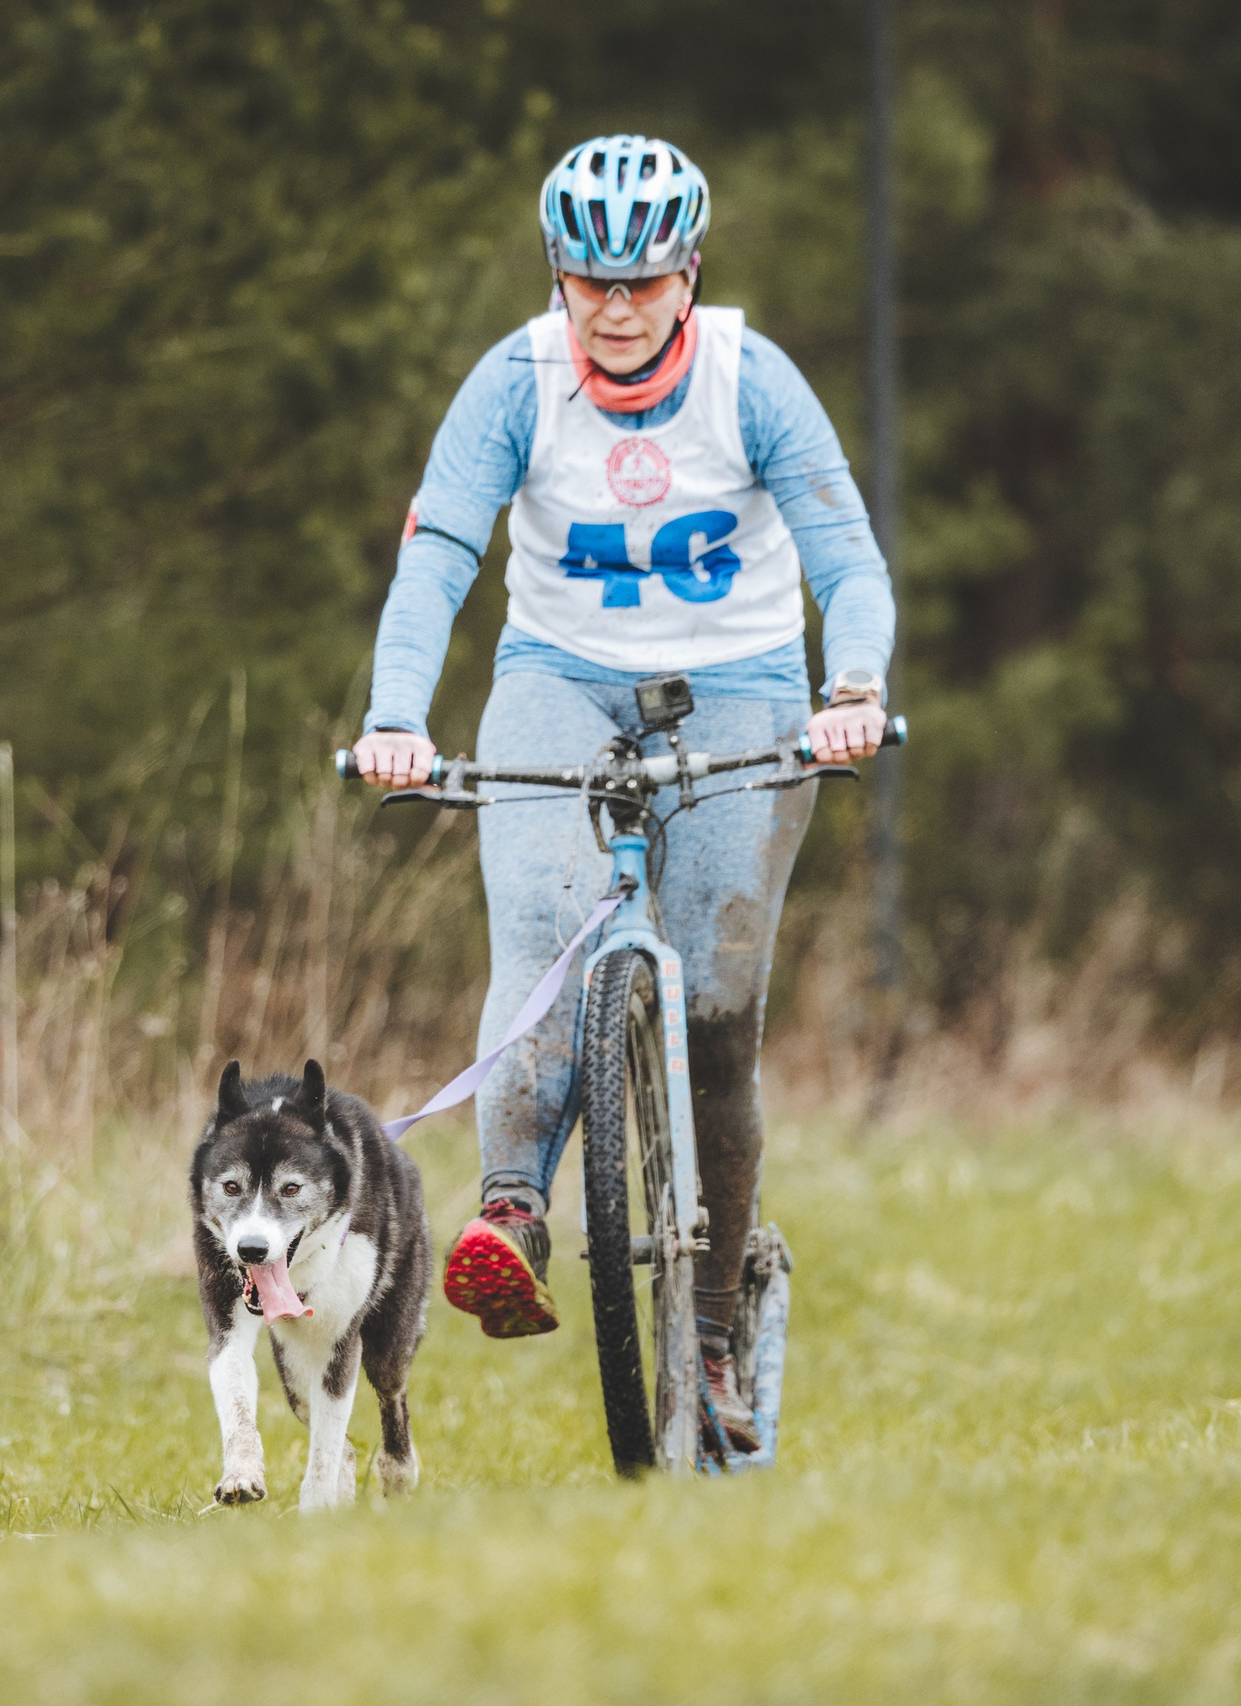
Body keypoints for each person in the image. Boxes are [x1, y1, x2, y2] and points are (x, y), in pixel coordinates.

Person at [351, 135, 894, 1452]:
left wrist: (854, 686)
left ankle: (712, 1322)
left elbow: (847, 556)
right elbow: (436, 563)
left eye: (642, 281)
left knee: (716, 1013)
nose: (615, 306)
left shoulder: (753, 380)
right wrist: (395, 717)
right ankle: (511, 1217)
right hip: (558, 679)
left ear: (688, 273)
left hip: (747, 687)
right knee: (541, 925)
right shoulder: (514, 383)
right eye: (589, 279)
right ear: (558, 274)